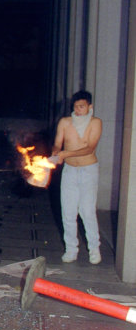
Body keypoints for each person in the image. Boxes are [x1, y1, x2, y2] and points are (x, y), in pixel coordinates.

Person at [51, 90, 103, 264]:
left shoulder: (96, 123)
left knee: (87, 211)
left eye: (82, 107)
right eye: (75, 107)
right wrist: (56, 154)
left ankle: (94, 249)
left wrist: (66, 153)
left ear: (90, 106)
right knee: (68, 212)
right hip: (70, 171)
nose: (78, 110)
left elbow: (90, 148)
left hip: (89, 170)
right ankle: (71, 249)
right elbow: (58, 144)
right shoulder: (65, 122)